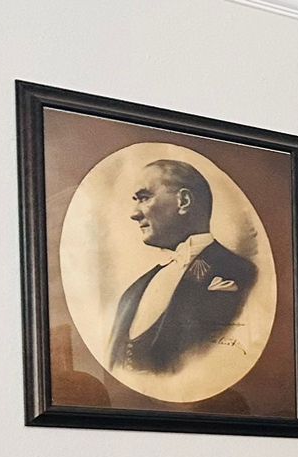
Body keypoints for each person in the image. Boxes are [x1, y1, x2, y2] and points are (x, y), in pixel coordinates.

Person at [108, 159, 257, 375]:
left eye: (144, 198)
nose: (134, 213)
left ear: (184, 201)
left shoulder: (241, 273)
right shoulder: (132, 293)